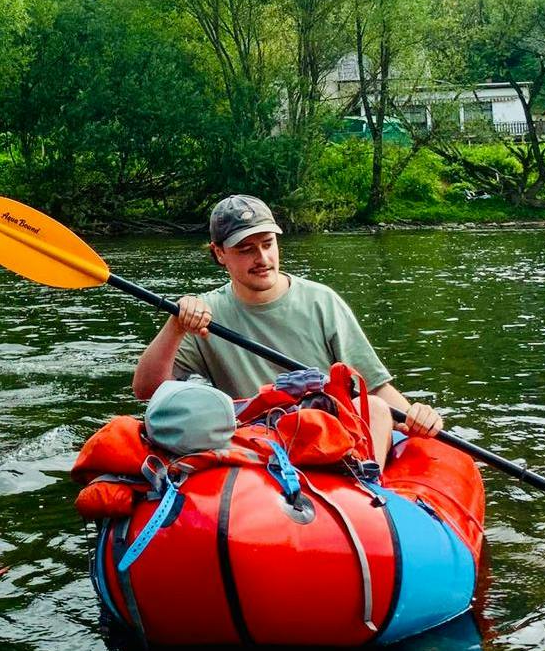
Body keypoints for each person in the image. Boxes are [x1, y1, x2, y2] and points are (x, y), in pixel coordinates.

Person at [132, 194, 443, 469]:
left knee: (375, 409)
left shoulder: (322, 301)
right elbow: (147, 390)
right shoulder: (203, 315)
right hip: (257, 444)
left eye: (268, 244)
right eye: (246, 249)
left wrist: (416, 415)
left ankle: (367, 486)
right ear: (219, 254)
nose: (263, 258)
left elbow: (373, 388)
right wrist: (174, 327)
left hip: (329, 436)